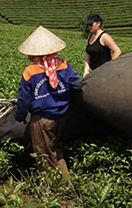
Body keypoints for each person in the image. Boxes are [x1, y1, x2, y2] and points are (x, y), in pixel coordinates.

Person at [15, 25, 82, 176]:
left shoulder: (30, 71)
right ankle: (65, 180)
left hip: (43, 119)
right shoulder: (64, 65)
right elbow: (77, 84)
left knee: (43, 153)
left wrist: (19, 116)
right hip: (62, 115)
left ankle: (54, 186)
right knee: (54, 147)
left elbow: (24, 99)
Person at [83, 13, 121, 77]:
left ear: (98, 23)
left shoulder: (104, 37)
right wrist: (86, 71)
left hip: (105, 73)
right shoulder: (90, 37)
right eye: (88, 25)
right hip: (94, 72)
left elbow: (117, 51)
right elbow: (88, 54)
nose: (89, 27)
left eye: (91, 24)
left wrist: (109, 66)